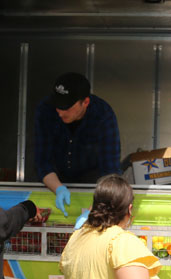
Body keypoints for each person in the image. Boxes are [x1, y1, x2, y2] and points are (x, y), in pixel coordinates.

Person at [34, 72, 121, 217]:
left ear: (85, 102)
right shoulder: (45, 110)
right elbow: (42, 161)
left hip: (93, 186)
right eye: (57, 106)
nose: (60, 112)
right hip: (52, 181)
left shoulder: (103, 115)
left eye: (66, 107)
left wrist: (93, 210)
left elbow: (110, 171)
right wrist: (59, 188)